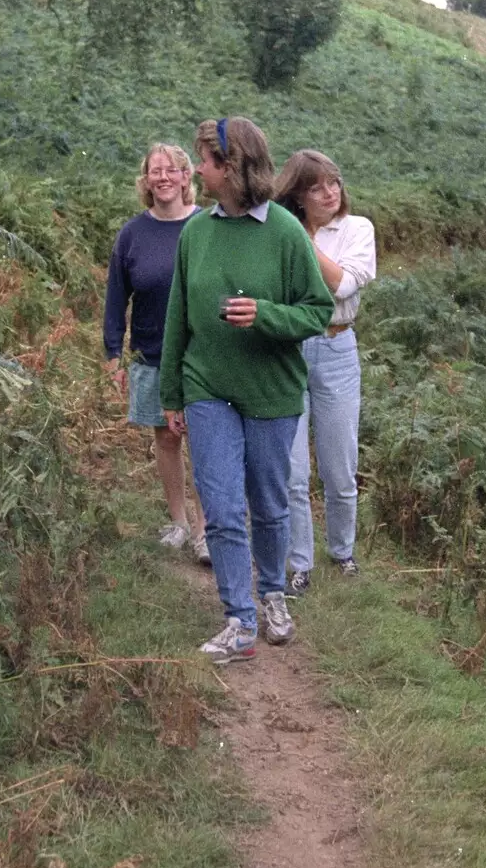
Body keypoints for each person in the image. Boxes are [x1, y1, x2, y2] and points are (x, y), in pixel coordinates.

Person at [160, 117, 334, 664]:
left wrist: (266, 315)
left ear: (231, 168)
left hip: (271, 392)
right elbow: (177, 319)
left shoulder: (284, 231)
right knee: (221, 503)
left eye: (205, 162)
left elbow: (318, 311)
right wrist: (171, 394)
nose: (197, 170)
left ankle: (273, 594)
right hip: (207, 387)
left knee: (268, 500)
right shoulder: (196, 232)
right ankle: (239, 619)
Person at [277, 150, 377, 596]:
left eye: (334, 182)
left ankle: (343, 552)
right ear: (298, 194)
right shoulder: (278, 233)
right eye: (316, 186)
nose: (330, 192)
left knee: (340, 466)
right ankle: (299, 562)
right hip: (288, 350)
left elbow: (341, 284)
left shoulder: (358, 228)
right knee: (293, 469)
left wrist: (299, 239)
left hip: (338, 346)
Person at [104, 144, 206, 558]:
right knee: (165, 439)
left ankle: (206, 530)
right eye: (154, 171)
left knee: (203, 439)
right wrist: (114, 354)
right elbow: (116, 298)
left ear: (186, 177)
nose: (162, 177)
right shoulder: (132, 234)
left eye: (171, 170)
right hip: (150, 353)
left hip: (202, 354)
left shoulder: (207, 226)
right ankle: (179, 521)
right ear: (145, 181)